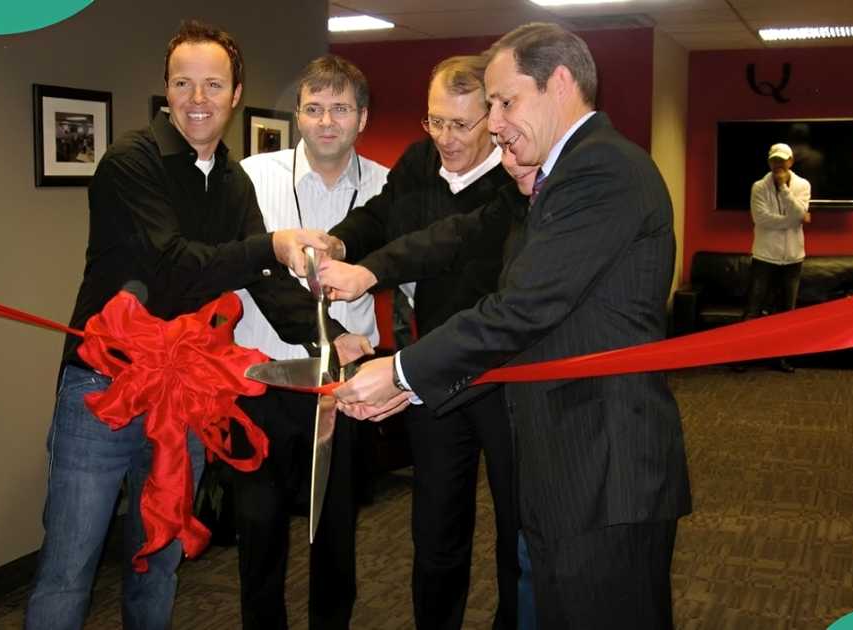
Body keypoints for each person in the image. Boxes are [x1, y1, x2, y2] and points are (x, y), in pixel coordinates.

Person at [331, 23, 692, 629]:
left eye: (503, 102)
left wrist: (399, 372)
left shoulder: (599, 170)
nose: (493, 122)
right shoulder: (556, 177)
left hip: (603, 462)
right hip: (568, 457)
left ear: (558, 83)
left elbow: (521, 308)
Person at [24, 20, 366, 630]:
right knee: (68, 568)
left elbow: (262, 279)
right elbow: (173, 267)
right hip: (103, 388)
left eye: (213, 84)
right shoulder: (130, 162)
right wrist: (272, 243)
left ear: (236, 94)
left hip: (183, 392)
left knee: (158, 560)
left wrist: (329, 339)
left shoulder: (231, 181)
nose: (198, 98)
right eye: (184, 83)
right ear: (166, 90)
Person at [321, 55, 521, 630]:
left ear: (493, 116)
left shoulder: (518, 176)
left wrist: (370, 271)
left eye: (461, 125)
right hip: (430, 372)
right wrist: (338, 245)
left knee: (519, 526)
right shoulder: (419, 161)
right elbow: (382, 216)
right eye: (435, 122)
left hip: (504, 377)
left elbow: (447, 243)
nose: (446, 139)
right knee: (436, 528)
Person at [228, 54, 388, 630]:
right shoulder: (253, 176)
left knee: (336, 530)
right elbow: (248, 270)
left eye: (340, 109)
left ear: (362, 117)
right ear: (297, 114)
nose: (326, 121)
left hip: (343, 389)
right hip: (263, 382)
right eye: (314, 108)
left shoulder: (385, 188)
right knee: (259, 529)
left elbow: (412, 278)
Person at [745, 142, 812, 373]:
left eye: (782, 161)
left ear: (791, 162)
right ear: (769, 162)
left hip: (793, 259)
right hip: (764, 256)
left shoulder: (802, 185)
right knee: (753, 309)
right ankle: (742, 355)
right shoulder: (758, 187)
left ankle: (781, 358)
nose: (778, 165)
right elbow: (761, 219)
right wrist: (796, 219)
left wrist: (784, 190)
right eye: (774, 160)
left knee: (787, 312)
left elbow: (797, 211)